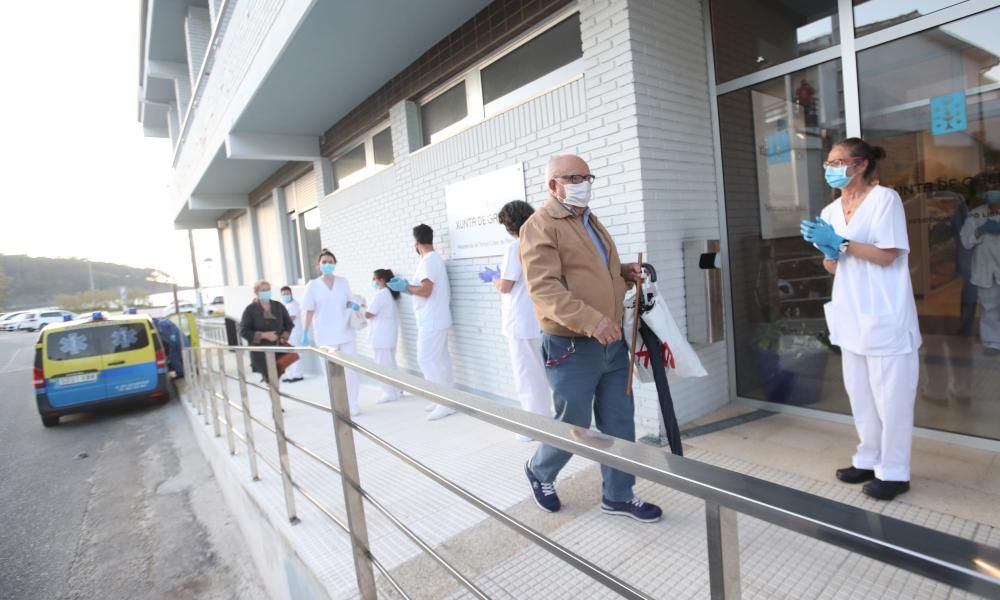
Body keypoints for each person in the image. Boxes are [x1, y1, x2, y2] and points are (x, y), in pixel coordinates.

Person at [518, 154, 662, 523]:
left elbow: (591, 272)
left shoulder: (590, 221)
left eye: (587, 176)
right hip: (571, 346)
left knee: (619, 422)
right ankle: (540, 470)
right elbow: (545, 288)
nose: (583, 183)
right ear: (553, 185)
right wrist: (591, 320)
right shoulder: (540, 226)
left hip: (612, 342)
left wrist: (623, 272)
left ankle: (618, 495)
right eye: (573, 177)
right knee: (575, 424)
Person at [801, 137, 922, 501]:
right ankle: (868, 458)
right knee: (861, 395)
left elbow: (888, 255)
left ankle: (895, 471)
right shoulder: (830, 210)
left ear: (861, 164)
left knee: (892, 399)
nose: (830, 169)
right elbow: (834, 265)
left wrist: (842, 244)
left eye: (838, 162)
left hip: (886, 313)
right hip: (851, 313)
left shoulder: (885, 199)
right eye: (827, 163)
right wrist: (828, 250)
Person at [484, 200, 553, 440]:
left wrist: (494, 278)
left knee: (526, 373)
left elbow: (506, 286)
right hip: (535, 318)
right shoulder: (541, 242)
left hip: (520, 321)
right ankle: (545, 417)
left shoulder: (515, 247)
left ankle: (535, 426)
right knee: (538, 371)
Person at [387, 224, 457, 421]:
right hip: (435, 318)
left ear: (416, 242)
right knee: (440, 360)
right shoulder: (432, 260)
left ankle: (444, 403)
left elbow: (426, 291)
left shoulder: (429, 261)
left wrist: (406, 287)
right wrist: (408, 286)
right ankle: (445, 399)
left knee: (427, 359)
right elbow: (424, 288)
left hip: (432, 320)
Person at [302, 249, 363, 415]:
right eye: (324, 262)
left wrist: (354, 305)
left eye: (330, 261)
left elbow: (349, 301)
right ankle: (338, 404)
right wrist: (305, 332)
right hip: (325, 336)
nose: (327, 264)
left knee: (350, 371)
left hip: (346, 332)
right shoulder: (313, 285)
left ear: (335, 264)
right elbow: (309, 310)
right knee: (332, 373)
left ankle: (353, 403)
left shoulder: (343, 282)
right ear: (318, 265)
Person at [960, 183, 1000, 356]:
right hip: (985, 270)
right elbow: (966, 241)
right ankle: (992, 343)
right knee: (989, 307)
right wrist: (979, 231)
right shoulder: (975, 214)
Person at [239, 281, 293, 384]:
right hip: (260, 352)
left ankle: (274, 395)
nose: (266, 292)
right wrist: (264, 335)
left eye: (268, 290)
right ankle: (273, 395)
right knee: (270, 380)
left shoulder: (278, 306)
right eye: (263, 290)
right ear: (256, 292)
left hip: (278, 349)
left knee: (275, 379)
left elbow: (289, 324)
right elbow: (243, 331)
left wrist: (283, 337)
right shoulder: (250, 310)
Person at [365, 268, 404, 403]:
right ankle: (397, 390)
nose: (373, 282)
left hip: (381, 336)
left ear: (381, 280)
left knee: (383, 365)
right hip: (388, 334)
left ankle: (389, 393)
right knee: (391, 363)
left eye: (374, 279)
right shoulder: (388, 293)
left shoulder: (381, 294)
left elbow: (368, 314)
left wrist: (359, 306)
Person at [280, 285, 304, 383]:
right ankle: (291, 376)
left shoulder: (294, 305)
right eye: (284, 294)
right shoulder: (286, 305)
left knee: (295, 354)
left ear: (291, 293)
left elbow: (290, 320)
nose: (286, 295)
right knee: (289, 355)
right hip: (288, 335)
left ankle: (298, 375)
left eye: (287, 293)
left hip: (294, 334)